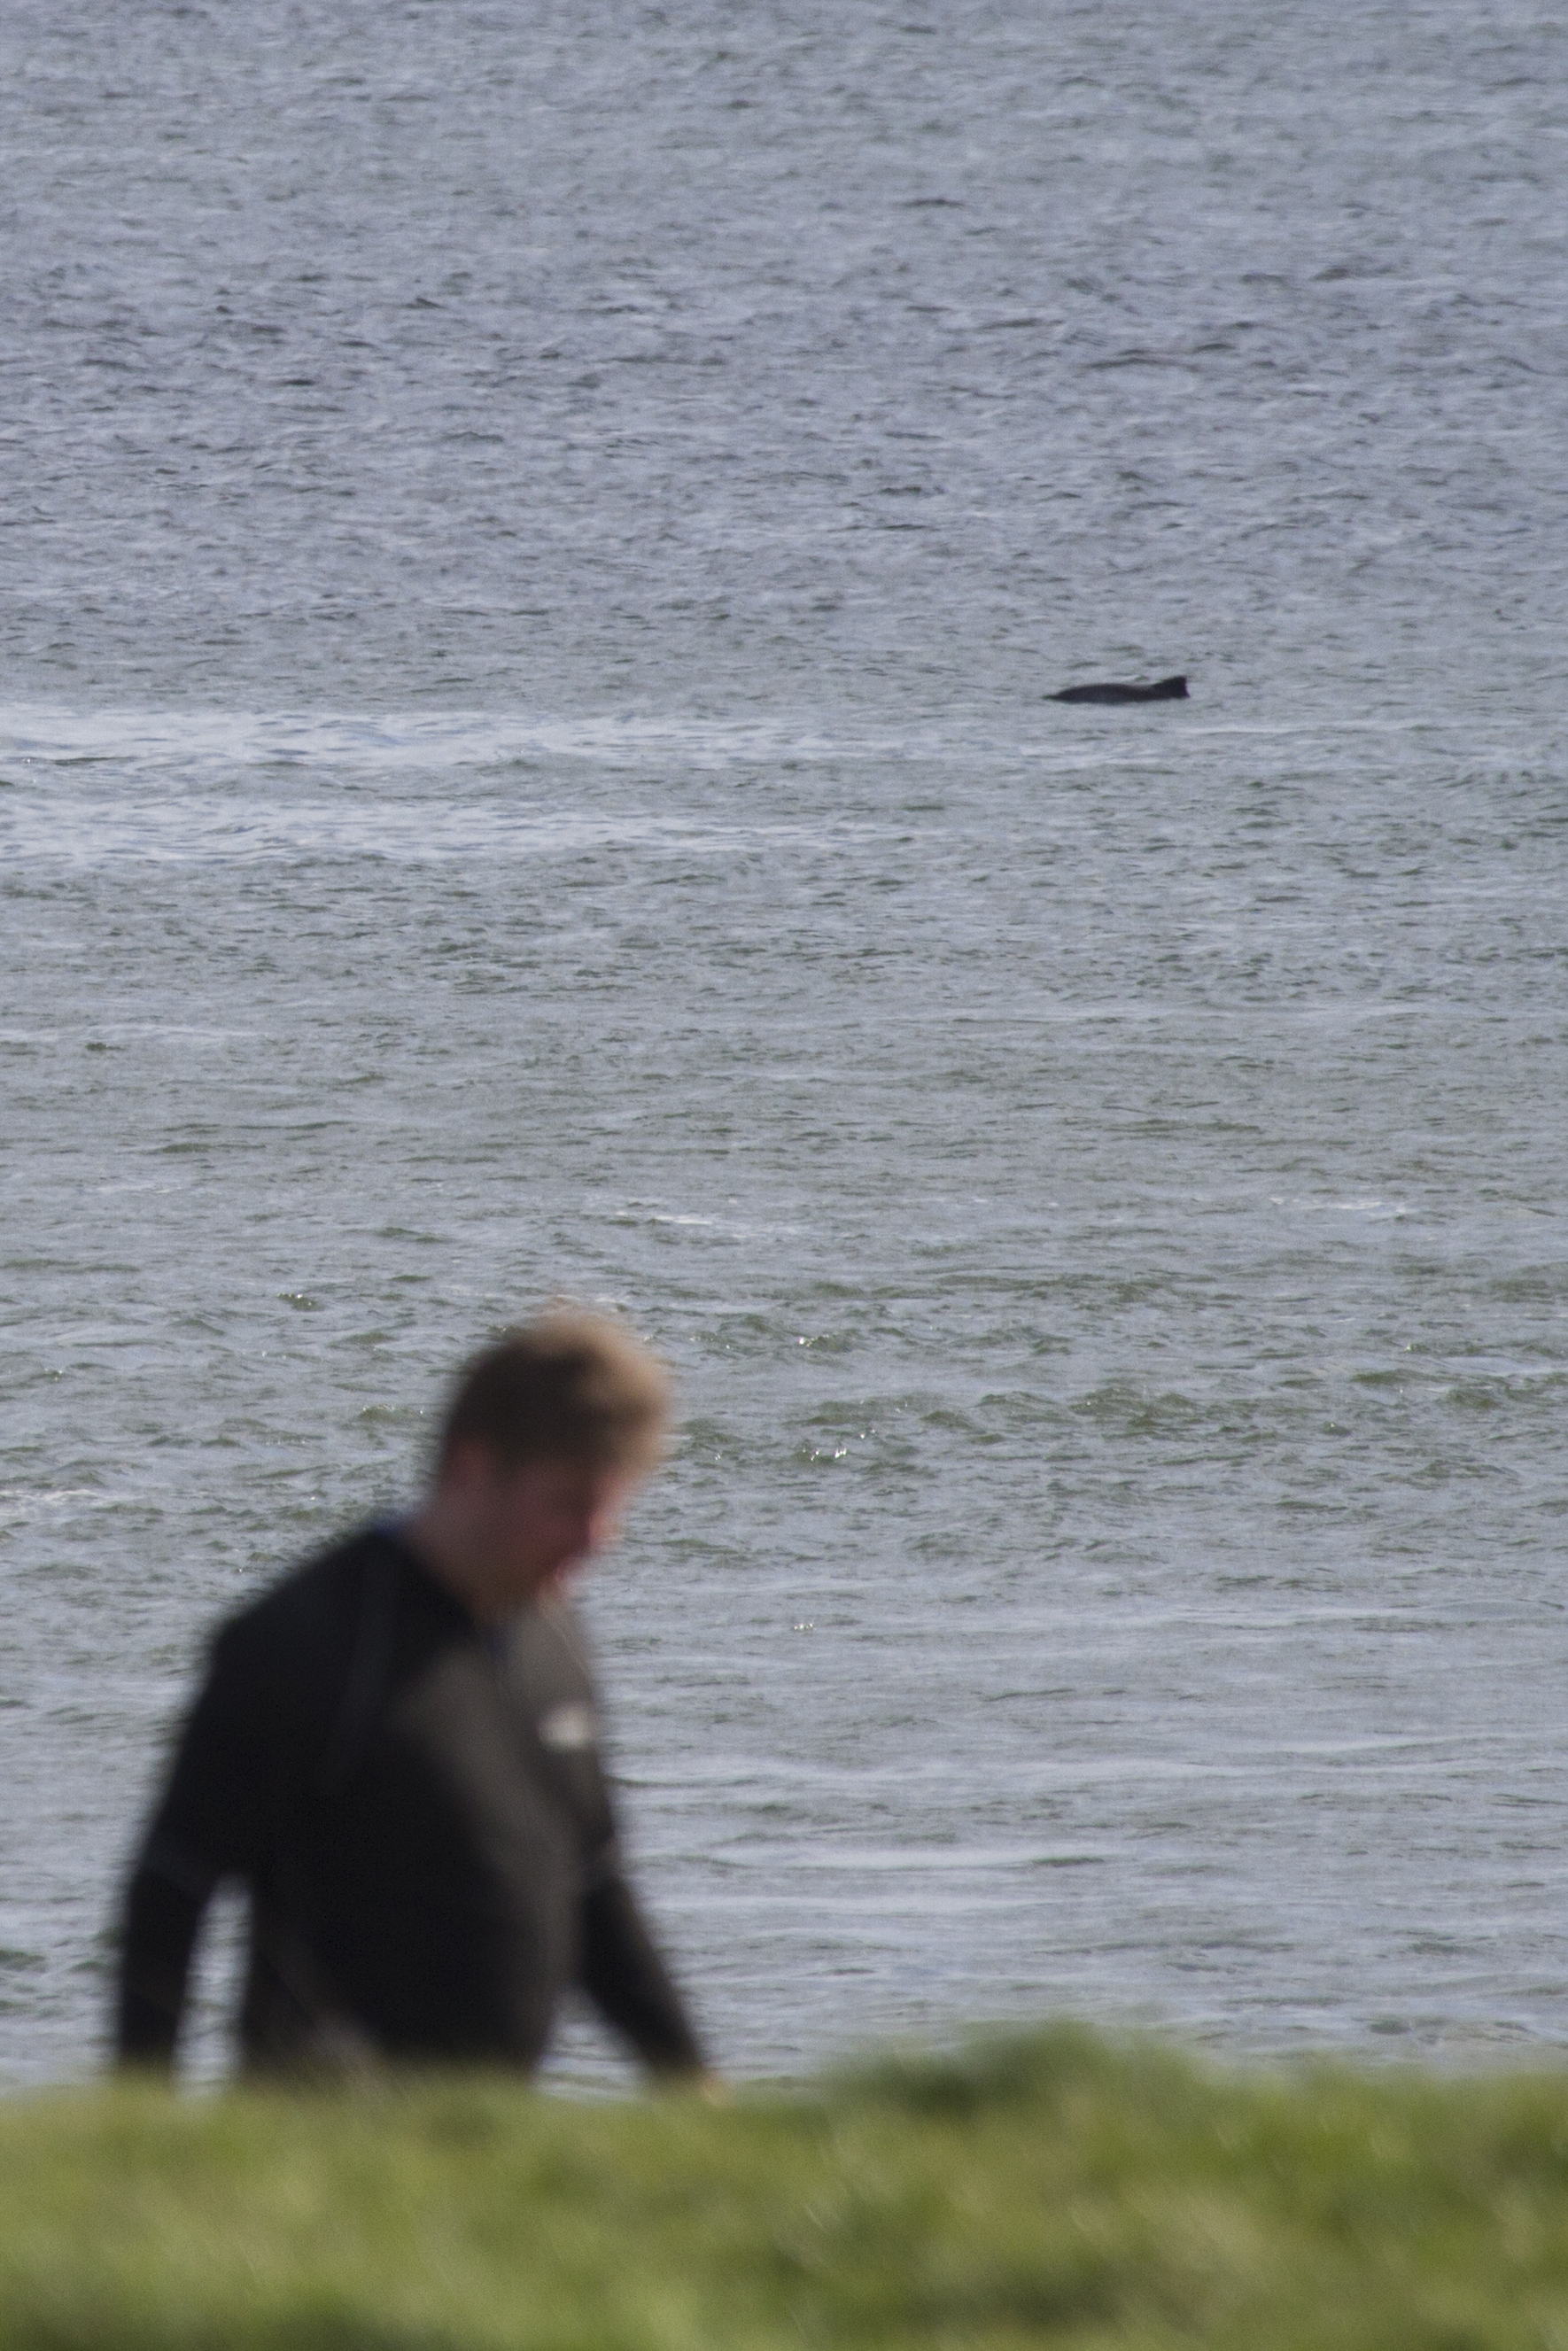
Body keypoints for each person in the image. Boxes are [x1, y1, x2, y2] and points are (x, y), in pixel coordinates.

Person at [116, 1310, 706, 2081]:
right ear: (472, 1466)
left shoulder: (555, 1644)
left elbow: (592, 1885)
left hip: (495, 2135)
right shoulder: (306, 1640)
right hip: (319, 2146)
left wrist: (689, 2079)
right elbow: (173, 1886)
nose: (596, 1538)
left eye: (611, 1505)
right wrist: (144, 2116)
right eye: (566, 1503)